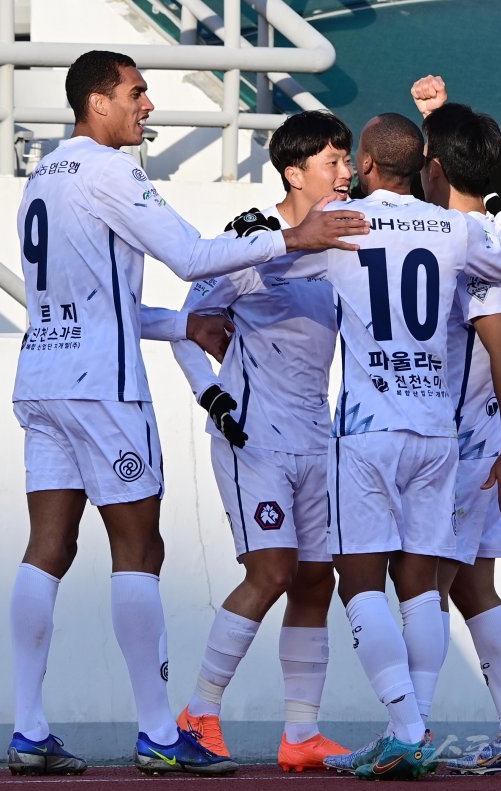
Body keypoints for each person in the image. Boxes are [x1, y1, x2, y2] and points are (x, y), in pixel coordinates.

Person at [7, 49, 369, 777]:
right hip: (103, 389)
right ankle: (159, 731)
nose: (147, 105)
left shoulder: (42, 178)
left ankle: (27, 728)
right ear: (97, 102)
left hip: (42, 377)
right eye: (136, 93)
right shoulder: (111, 170)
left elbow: (102, 303)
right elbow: (192, 256)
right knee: (139, 550)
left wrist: (184, 326)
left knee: (48, 546)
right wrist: (292, 237)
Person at [298, 111, 501, 781]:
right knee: (422, 587)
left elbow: (271, 264)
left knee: (358, 579)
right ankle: (423, 727)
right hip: (438, 431)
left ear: (367, 163)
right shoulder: (456, 229)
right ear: (421, 164)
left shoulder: (341, 222)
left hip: (369, 428)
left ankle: (405, 729)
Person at [141, 110, 354, 772]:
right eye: (332, 162)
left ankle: (301, 734)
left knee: (316, 578)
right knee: (271, 570)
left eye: (348, 159)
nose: (346, 172)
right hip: (253, 439)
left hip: (317, 438)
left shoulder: (350, 242)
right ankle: (198, 713)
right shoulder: (253, 238)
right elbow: (188, 323)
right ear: (294, 173)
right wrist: (210, 395)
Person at [410, 74, 501, 775]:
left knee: (429, 582)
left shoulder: (460, 243)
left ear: (434, 167)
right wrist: (439, 118)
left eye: (423, 161)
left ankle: (413, 732)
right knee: (471, 586)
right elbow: (463, 186)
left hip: (464, 445)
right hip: (482, 438)